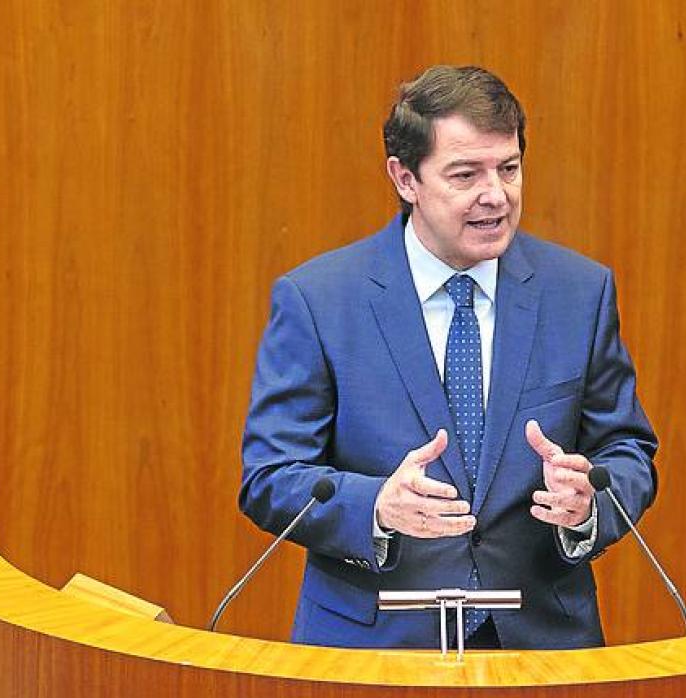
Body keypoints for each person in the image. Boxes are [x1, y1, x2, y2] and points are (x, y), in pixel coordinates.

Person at [239, 65, 658, 650]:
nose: (497, 194)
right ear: (405, 178)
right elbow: (271, 477)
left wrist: (590, 503)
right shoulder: (319, 300)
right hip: (372, 650)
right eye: (466, 174)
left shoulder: (579, 293)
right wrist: (377, 507)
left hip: (541, 646)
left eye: (509, 168)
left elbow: (628, 453)